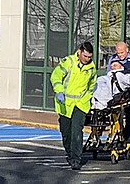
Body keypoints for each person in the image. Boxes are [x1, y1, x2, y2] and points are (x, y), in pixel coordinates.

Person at [50, 42, 97, 170]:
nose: (87, 59)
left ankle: (76, 158)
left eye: (89, 57)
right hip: (65, 103)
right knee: (66, 132)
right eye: (85, 56)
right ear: (79, 52)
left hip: (81, 104)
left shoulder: (91, 68)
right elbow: (56, 76)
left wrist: (87, 98)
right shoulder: (68, 62)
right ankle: (70, 153)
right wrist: (59, 90)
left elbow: (92, 85)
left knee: (77, 131)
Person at [106, 41, 130, 144]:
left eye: (122, 53)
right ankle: (118, 135)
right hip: (115, 91)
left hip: (128, 92)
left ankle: (128, 137)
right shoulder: (112, 59)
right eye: (118, 53)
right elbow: (108, 74)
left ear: (127, 50)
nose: (120, 55)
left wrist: (122, 69)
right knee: (115, 114)